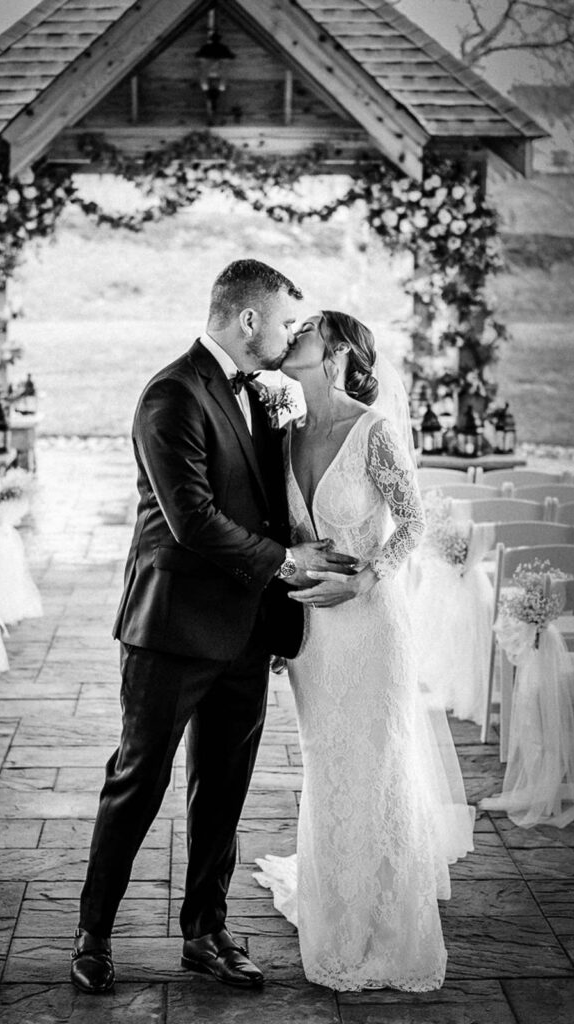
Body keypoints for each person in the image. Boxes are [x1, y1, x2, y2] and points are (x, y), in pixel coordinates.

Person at [70, 261, 359, 994]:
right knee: (138, 780)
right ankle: (93, 933)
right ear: (249, 320)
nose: (291, 334)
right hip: (172, 627)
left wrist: (292, 592)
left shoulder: (261, 395)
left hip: (246, 629)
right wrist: (289, 562)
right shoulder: (171, 394)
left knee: (223, 789)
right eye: (285, 321)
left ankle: (206, 932)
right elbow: (192, 520)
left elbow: (268, 505)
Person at [254, 310, 474, 992]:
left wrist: (366, 577)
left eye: (307, 329)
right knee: (327, 766)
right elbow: (281, 538)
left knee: (376, 765)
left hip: (372, 624)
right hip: (312, 635)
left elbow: (412, 522)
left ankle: (384, 922)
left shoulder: (373, 431)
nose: (293, 334)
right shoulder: (283, 434)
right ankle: (337, 914)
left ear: (340, 352)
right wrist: (279, 613)